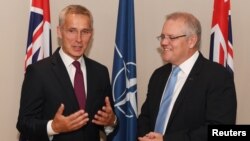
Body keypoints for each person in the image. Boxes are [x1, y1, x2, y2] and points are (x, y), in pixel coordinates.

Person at [17, 5, 117, 141]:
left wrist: (111, 121)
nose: (79, 39)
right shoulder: (38, 72)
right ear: (59, 32)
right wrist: (53, 127)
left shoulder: (100, 72)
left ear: (91, 34)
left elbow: (106, 119)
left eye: (85, 31)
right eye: (72, 31)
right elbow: (24, 123)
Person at [137, 12, 237, 141]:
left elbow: (220, 130)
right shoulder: (158, 75)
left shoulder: (217, 76)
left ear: (191, 41)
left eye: (171, 37)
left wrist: (167, 140)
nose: (163, 42)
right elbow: (145, 117)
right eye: (162, 37)